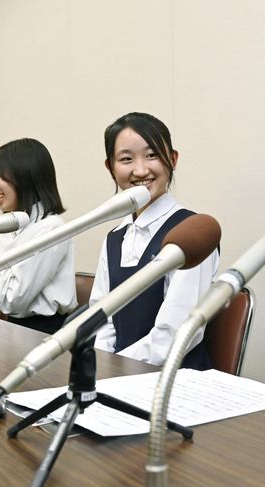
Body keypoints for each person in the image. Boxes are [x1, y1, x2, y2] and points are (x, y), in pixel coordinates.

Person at [89, 112, 219, 369]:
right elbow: (100, 320)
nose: (140, 170)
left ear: (172, 159)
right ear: (110, 167)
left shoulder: (192, 234)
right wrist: (100, 366)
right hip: (118, 379)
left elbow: (175, 334)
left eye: (152, 155)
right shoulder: (115, 238)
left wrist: (115, 369)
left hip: (174, 381)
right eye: (126, 159)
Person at [0, 138, 76, 333]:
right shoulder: (9, 227)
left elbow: (11, 301)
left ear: (26, 176)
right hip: (10, 330)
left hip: (44, 333)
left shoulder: (52, 228)